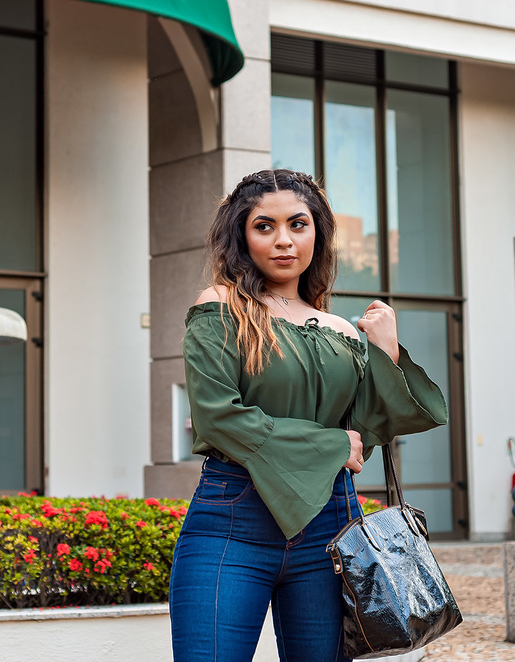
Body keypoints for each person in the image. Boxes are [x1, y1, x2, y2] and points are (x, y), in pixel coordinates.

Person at [168, 169, 448, 662]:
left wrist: (386, 353)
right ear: (242, 234)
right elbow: (217, 418)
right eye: (264, 226)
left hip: (330, 526)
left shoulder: (340, 329)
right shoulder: (221, 307)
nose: (283, 240)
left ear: (317, 232)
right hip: (233, 519)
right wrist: (332, 445)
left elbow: (372, 427)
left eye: (298, 224)